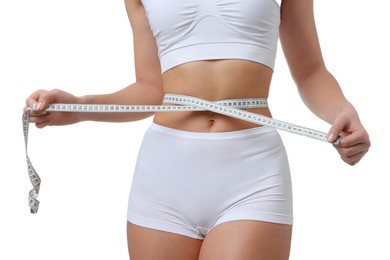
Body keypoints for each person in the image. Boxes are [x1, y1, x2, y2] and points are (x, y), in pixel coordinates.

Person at [25, 0, 370, 259]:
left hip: (252, 173)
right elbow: (151, 88)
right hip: (164, 175)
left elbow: (310, 70)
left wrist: (342, 110)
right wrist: (80, 106)